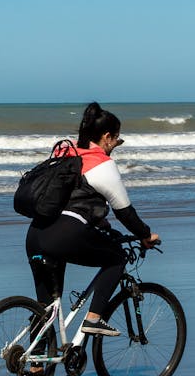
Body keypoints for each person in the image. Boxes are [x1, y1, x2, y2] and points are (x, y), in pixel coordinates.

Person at [25, 102, 160, 362]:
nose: (116, 145)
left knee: (46, 307)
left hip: (36, 235)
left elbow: (82, 205)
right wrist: (145, 235)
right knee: (116, 258)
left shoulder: (67, 155)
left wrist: (107, 231)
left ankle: (34, 368)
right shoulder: (102, 164)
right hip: (65, 234)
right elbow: (125, 212)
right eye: (116, 139)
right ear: (107, 137)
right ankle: (94, 319)